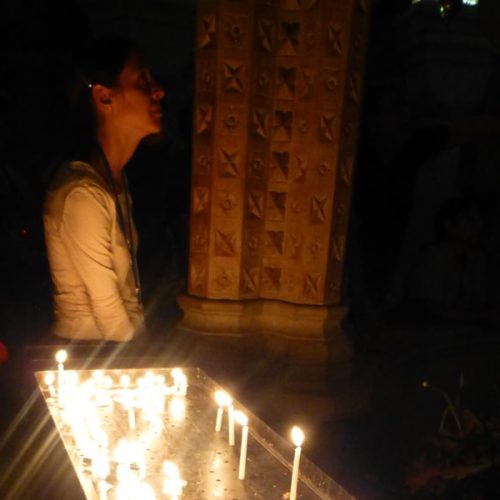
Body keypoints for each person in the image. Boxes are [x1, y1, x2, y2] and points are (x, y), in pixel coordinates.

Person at [43, 37, 165, 341]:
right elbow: (109, 314)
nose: (158, 91)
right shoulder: (81, 194)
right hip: (88, 362)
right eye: (142, 80)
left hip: (112, 359)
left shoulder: (115, 183)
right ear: (104, 97)